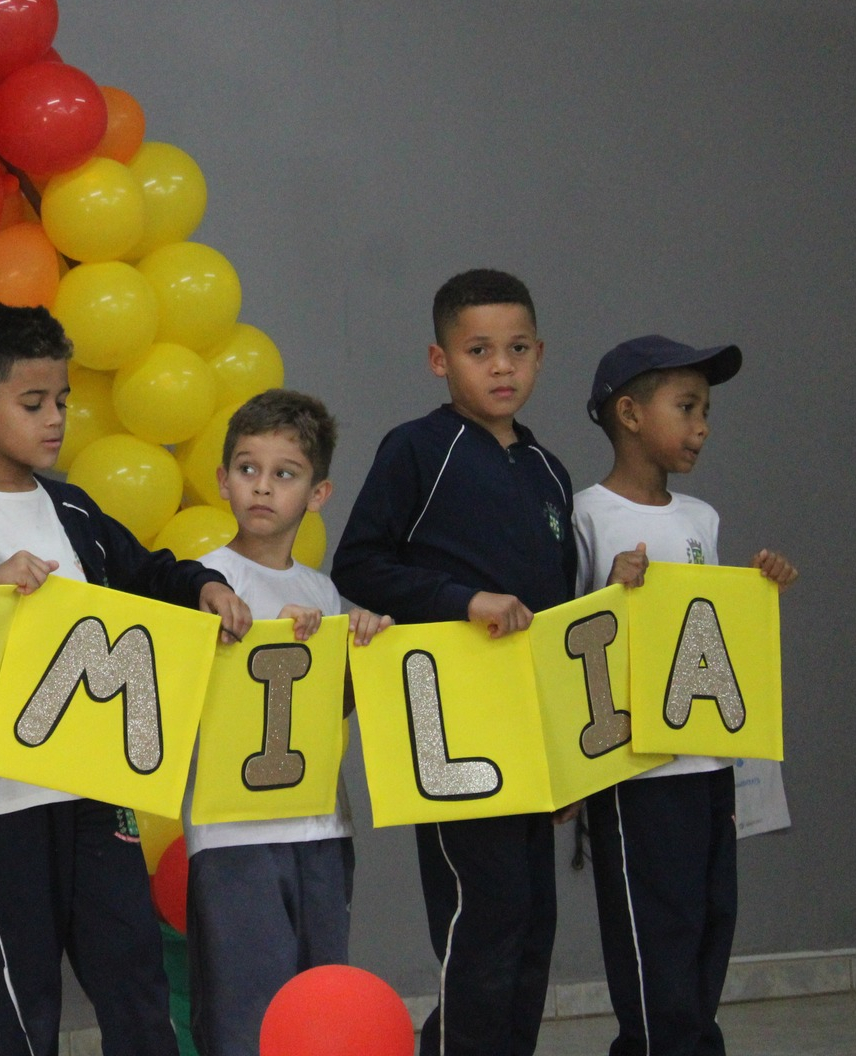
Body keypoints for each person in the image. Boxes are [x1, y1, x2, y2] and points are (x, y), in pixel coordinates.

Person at [0, 304, 252, 1056]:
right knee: (24, 1003)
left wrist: (203, 587)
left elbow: (148, 571)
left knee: (134, 982)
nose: (55, 418)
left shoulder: (74, 508)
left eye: (61, 400)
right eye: (33, 404)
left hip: (98, 793)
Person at [331, 268, 577, 1056]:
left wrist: (565, 757)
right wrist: (459, 599)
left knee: (534, 916)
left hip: (529, 732)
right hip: (449, 732)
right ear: (441, 361)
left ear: (539, 354)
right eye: (478, 351)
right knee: (485, 912)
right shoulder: (417, 449)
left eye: (514, 350)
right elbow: (359, 565)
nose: (500, 367)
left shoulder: (547, 471)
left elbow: (558, 619)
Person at [575, 336, 799, 1056]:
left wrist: (758, 584)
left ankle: (693, 1043)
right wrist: (611, 590)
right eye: (687, 407)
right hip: (636, 771)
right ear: (629, 413)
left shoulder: (700, 519)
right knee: (653, 926)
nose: (701, 425)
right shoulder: (586, 514)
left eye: (705, 410)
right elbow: (570, 635)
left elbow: (706, 631)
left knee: (707, 920)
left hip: (708, 765)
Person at [180, 389, 390, 1056]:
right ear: (221, 479)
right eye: (246, 469)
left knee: (319, 1002)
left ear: (317, 493)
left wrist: (358, 654)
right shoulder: (205, 579)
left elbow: (328, 711)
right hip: (234, 831)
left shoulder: (321, 591)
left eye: (284, 474)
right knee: (247, 1010)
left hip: (321, 825)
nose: (261, 488)